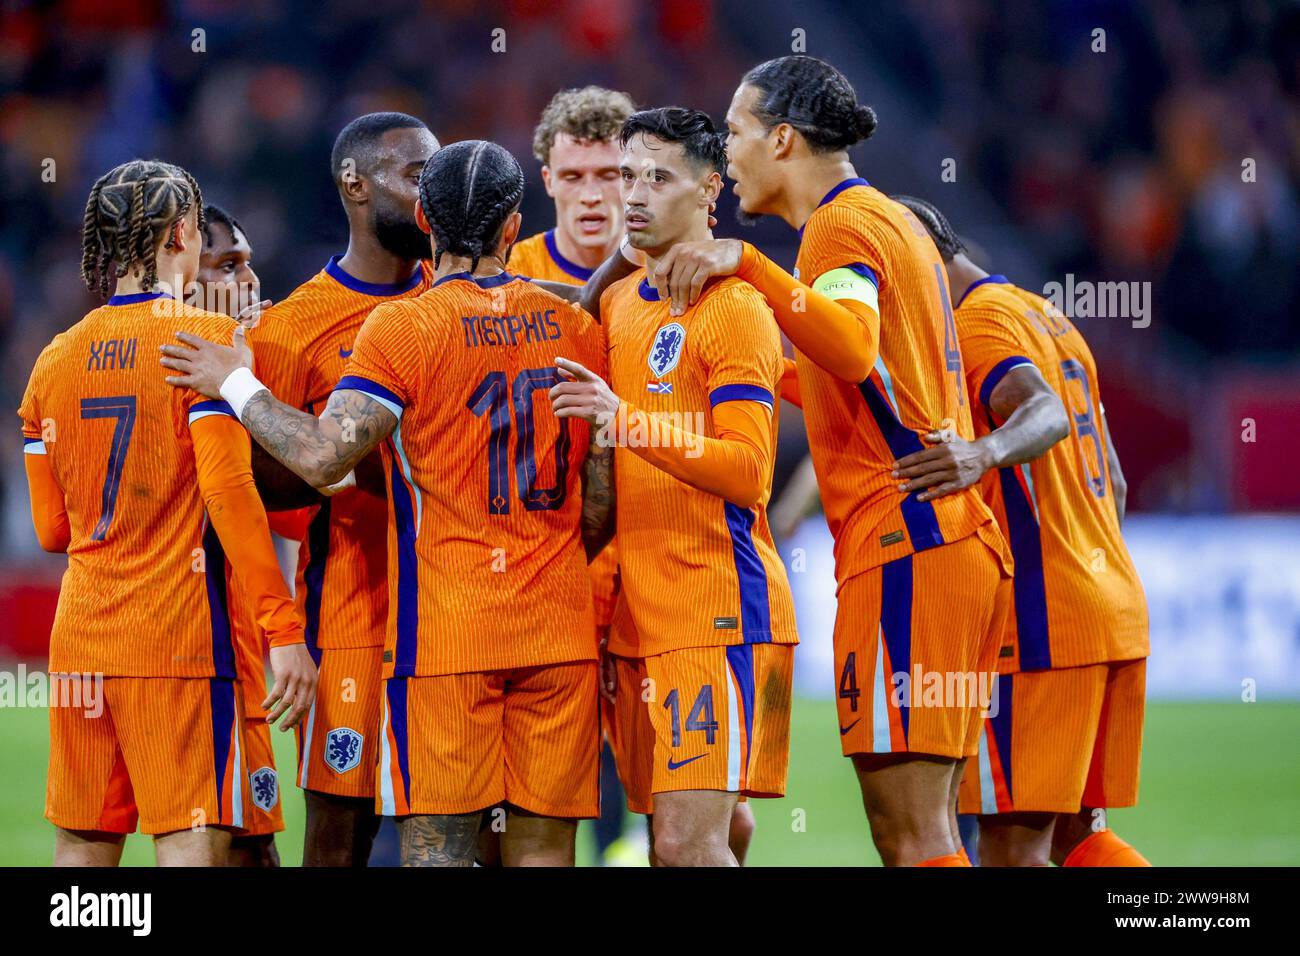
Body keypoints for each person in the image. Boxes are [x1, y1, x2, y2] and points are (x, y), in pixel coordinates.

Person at [161, 140, 618, 867]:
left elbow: (317, 455)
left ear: (428, 217)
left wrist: (235, 385)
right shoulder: (578, 328)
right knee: (540, 857)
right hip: (557, 627)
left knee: (435, 854)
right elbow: (602, 495)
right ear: (513, 228)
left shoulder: (406, 325)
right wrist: (559, 556)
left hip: (445, 631)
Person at [650, 56, 1012, 866]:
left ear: (781, 138)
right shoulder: (889, 220)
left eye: (735, 132)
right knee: (932, 831)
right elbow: (859, 384)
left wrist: (748, 265)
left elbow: (849, 351)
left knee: (912, 835)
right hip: (947, 547)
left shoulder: (838, 229)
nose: (727, 151)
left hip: (906, 548)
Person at [20, 159, 315, 867]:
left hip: (82, 641)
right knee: (190, 841)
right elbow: (229, 494)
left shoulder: (51, 362)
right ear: (183, 232)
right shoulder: (201, 346)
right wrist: (283, 628)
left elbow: (51, 532)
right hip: (178, 641)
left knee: (82, 850)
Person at [550, 107, 798, 867]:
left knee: (687, 848)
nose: (634, 194)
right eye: (629, 175)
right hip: (637, 620)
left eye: (658, 177)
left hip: (717, 611)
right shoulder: (621, 304)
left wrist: (627, 422)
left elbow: (747, 470)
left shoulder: (737, 310)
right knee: (679, 845)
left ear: (709, 189)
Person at [893, 195, 1151, 867]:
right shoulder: (1047, 315)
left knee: (1012, 849)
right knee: (1076, 836)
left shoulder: (972, 327)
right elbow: (1115, 482)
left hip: (1037, 625)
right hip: (1106, 606)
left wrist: (980, 455)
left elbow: (1045, 416)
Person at [237, 113, 440, 866]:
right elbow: (258, 486)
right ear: (356, 184)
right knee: (337, 838)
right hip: (353, 613)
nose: (433, 193)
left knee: (467, 834)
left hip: (459, 617)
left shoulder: (458, 297)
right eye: (415, 176)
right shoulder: (292, 329)